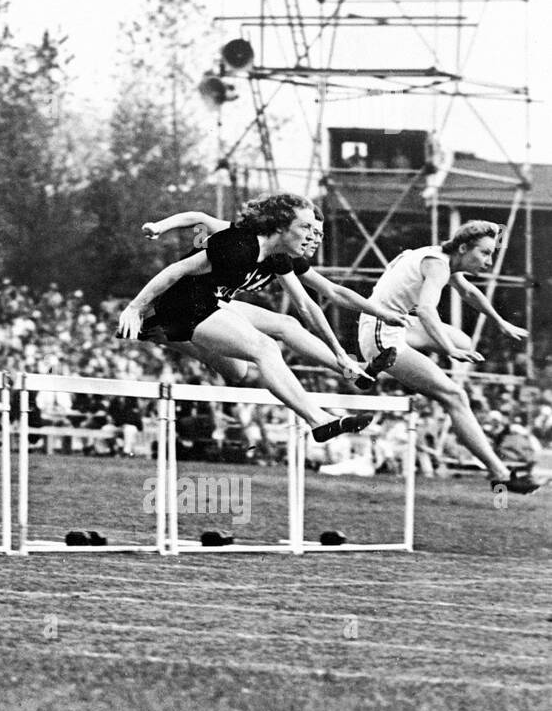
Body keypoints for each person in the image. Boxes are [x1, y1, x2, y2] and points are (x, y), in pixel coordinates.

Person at [116, 193, 376, 443]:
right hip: (182, 303)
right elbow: (177, 268)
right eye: (307, 228)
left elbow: (308, 306)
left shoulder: (277, 257)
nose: (312, 237)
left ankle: (348, 370)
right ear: (281, 227)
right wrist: (135, 306)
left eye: (316, 231)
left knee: (244, 364)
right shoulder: (238, 244)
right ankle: (319, 420)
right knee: (265, 348)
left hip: (213, 300)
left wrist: (342, 353)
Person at [356, 221, 541, 494]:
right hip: (381, 335)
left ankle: (373, 368)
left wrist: (501, 322)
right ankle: (499, 473)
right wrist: (449, 351)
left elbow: (468, 292)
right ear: (464, 248)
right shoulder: (437, 265)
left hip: (390, 323)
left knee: (463, 339)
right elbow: (427, 311)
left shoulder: (440, 258)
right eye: (485, 253)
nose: (489, 262)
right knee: (455, 396)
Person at [141, 209, 406, 389]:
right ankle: (161, 331)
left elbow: (333, 292)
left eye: (320, 235)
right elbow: (198, 217)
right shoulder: (244, 238)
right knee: (240, 369)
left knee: (279, 334)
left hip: (217, 302)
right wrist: (159, 227)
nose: (316, 241)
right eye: (311, 232)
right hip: (184, 300)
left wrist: (380, 312)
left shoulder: (284, 258)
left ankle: (354, 372)